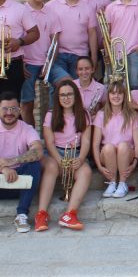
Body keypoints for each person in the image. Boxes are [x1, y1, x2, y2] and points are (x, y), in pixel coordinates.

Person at [0, 91, 43, 234]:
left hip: (19, 184)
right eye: (5, 109)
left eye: (13, 109)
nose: (9, 113)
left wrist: (13, 161)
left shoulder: (27, 129)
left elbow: (38, 150)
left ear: (20, 110)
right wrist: (3, 168)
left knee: (35, 164)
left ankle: (22, 214)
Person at [35, 80, 93, 232]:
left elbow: (86, 140)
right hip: (55, 153)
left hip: (76, 154)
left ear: (75, 96)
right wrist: (59, 159)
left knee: (86, 171)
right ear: (58, 98)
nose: (66, 98)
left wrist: (80, 159)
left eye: (69, 94)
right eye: (62, 95)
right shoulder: (50, 114)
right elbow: (49, 142)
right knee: (52, 167)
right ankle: (41, 214)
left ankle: (69, 214)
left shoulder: (84, 114)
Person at [21, 0, 68, 126]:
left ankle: (53, 125)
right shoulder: (20, 11)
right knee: (27, 103)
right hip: (26, 63)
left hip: (46, 62)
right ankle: (32, 140)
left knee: (67, 83)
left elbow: (55, 42)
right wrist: (19, 63)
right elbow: (16, 40)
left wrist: (49, 64)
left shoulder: (51, 13)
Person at [92, 81, 138, 198]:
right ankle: (112, 182)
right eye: (113, 93)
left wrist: (135, 162)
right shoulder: (101, 115)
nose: (116, 96)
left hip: (126, 153)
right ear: (108, 96)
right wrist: (99, 166)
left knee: (123, 145)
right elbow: (95, 144)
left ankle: (122, 183)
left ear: (124, 96)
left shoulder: (132, 115)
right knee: (109, 147)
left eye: (120, 93)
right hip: (107, 154)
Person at [45, 0, 98, 79]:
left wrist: (94, 58)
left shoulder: (88, 8)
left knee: (78, 88)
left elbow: (92, 33)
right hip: (58, 55)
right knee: (58, 88)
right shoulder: (51, 6)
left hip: (80, 55)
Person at [104, 0, 138, 89]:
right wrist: (108, 52)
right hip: (115, 52)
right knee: (115, 87)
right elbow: (107, 32)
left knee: (135, 86)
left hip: (134, 52)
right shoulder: (111, 7)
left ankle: (133, 108)